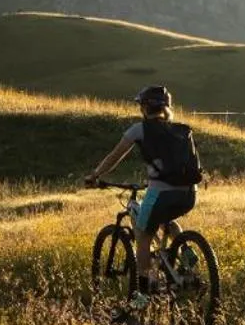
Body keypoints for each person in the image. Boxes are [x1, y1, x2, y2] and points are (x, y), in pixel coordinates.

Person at [85, 84, 200, 311]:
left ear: (145, 107)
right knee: (166, 218)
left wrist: (95, 175)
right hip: (188, 193)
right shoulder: (180, 130)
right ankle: (187, 253)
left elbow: (114, 156)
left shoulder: (140, 130)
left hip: (161, 194)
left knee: (142, 233)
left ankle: (143, 295)